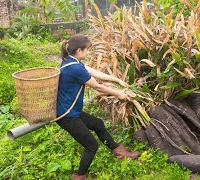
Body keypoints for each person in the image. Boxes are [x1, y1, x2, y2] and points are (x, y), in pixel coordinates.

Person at [57, 34, 140, 180]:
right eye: (87, 50)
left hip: (71, 112)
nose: (88, 52)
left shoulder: (70, 61)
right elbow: (97, 86)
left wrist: (116, 80)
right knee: (91, 146)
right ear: (79, 51)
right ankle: (78, 176)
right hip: (67, 116)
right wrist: (118, 94)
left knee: (98, 124)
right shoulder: (75, 68)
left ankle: (118, 151)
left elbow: (94, 73)